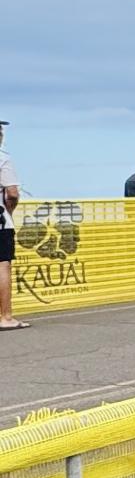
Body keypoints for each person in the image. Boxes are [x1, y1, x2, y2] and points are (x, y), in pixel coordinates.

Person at [0, 120, 27, 331]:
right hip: (1, 221)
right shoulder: (3, 159)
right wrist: (10, 210)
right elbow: (12, 193)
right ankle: (5, 316)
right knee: (3, 265)